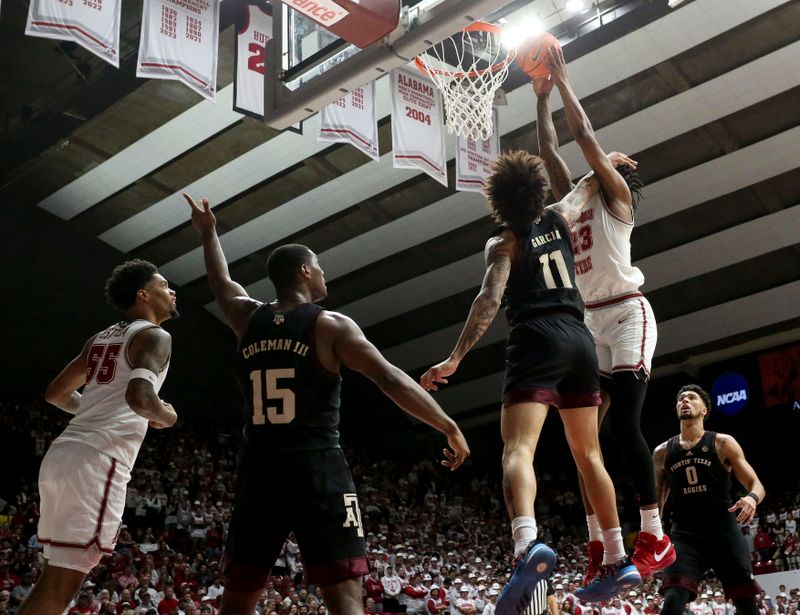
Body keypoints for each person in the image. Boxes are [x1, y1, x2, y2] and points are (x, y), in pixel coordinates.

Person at [183, 193, 470, 615]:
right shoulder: (329, 325)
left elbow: (220, 281)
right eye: (317, 264)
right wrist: (447, 425)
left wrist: (208, 234)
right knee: (344, 597)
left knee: (239, 598)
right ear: (303, 271)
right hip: (316, 468)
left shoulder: (247, 318)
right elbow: (389, 378)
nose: (323, 271)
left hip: (258, 469)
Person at [419, 149, 640, 614]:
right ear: (538, 191)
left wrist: (455, 357)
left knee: (518, 449)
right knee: (590, 454)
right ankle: (619, 557)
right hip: (579, 337)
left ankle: (526, 546)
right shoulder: (559, 217)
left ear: (497, 202)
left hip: (536, 338)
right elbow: (587, 187)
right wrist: (610, 164)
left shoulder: (502, 243)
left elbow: (489, 298)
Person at [537, 43, 673, 581]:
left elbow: (586, 140)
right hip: (587, 319)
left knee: (626, 430)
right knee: (581, 440)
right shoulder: (572, 202)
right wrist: (540, 99)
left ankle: (655, 535)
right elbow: (551, 154)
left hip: (627, 315)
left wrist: (566, 79)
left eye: (599, 163)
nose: (593, 163)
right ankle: (599, 545)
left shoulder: (616, 197)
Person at [18, 260, 179, 615]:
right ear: (143, 294)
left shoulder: (100, 338)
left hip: (65, 455)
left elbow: (57, 393)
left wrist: (96, 410)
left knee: (54, 582)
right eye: (165, 285)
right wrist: (167, 415)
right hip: (96, 461)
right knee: (60, 587)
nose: (172, 292)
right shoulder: (154, 335)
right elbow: (142, 397)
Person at [653, 384, 766, 615]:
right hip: (685, 534)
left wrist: (752, 499)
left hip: (724, 531)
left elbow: (757, 485)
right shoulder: (662, 452)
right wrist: (651, 526)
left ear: (705, 409)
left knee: (746, 605)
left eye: (691, 398)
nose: (684, 401)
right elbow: (657, 496)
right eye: (680, 398)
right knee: (673, 599)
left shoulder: (722, 443)